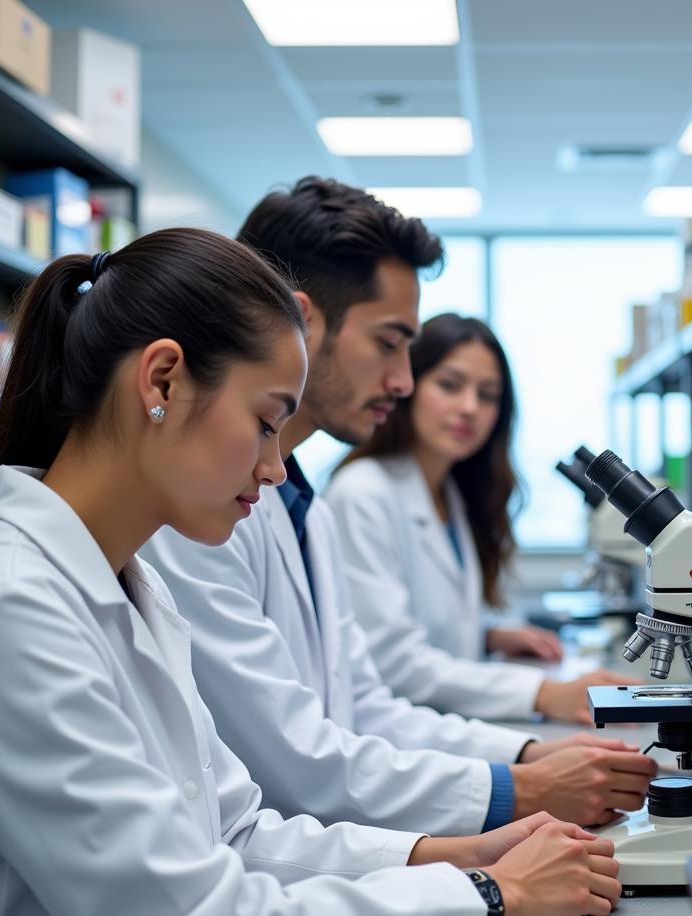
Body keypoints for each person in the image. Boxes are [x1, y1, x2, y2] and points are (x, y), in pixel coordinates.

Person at [0, 230, 622, 916]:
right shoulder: (8, 605)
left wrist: (455, 853)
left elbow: (239, 835)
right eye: (267, 422)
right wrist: (489, 896)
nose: (274, 469)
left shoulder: (129, 589)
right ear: (161, 380)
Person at [143, 178, 656, 836]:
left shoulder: (302, 506)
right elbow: (296, 763)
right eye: (390, 343)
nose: (404, 382)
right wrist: (519, 791)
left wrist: (528, 756)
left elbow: (366, 708)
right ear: (301, 322)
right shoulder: (198, 516)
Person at [328, 313, 625, 723]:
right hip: (393, 743)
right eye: (449, 385)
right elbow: (393, 663)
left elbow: (422, 614)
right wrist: (544, 693)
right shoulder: (362, 493)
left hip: (446, 730)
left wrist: (488, 634)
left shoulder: (451, 491)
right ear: (409, 386)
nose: (469, 407)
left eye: (487, 395)